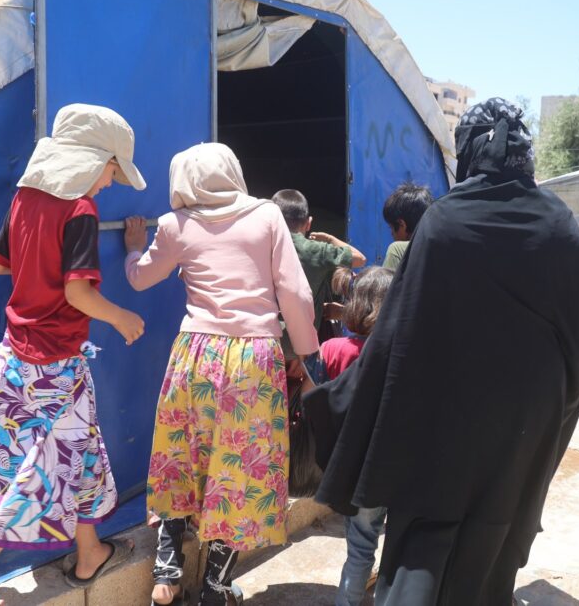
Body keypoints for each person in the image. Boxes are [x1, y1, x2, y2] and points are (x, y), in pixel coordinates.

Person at [305, 98, 579, 606]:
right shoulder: (555, 221)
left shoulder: (445, 221)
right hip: (520, 421)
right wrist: (549, 389)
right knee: (492, 531)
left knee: (423, 537)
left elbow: (398, 332)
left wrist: (339, 397)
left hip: (441, 415)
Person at [0, 104, 148, 606]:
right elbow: (80, 292)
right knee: (35, 474)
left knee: (80, 454)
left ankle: (89, 553)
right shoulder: (79, 210)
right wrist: (122, 317)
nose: (110, 182)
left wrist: (35, 264)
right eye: (111, 168)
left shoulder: (25, 197)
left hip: (16, 361)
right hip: (54, 364)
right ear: (92, 160)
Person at [123, 143, 318, 606]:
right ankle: (214, 585)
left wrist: (133, 249)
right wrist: (308, 353)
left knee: (180, 459)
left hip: (195, 355)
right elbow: (294, 291)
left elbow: (140, 279)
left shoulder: (174, 225)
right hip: (255, 359)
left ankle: (167, 577)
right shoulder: (268, 217)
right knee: (240, 473)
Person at [320, 267, 394, 606]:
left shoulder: (333, 349)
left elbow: (320, 399)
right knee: (399, 551)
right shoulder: (400, 354)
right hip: (395, 461)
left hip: (356, 468)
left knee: (361, 548)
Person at [271, 189, 366, 338]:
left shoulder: (258, 247)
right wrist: (329, 238)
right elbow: (360, 258)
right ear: (308, 224)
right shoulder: (317, 251)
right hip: (301, 344)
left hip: (266, 341)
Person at [381, 182, 434, 271]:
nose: (391, 234)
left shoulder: (397, 250)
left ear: (402, 224)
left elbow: (385, 284)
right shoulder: (445, 247)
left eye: (391, 228)